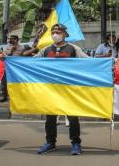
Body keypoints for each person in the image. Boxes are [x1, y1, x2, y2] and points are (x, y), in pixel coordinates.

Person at [35, 23, 88, 155]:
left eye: (58, 31)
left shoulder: (73, 49)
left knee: (72, 117)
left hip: (69, 89)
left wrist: (107, 63)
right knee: (50, 118)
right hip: (51, 90)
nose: (55, 34)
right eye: (53, 32)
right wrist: (8, 59)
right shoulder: (45, 50)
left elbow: (89, 62)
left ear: (65, 34)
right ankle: (50, 143)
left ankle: (76, 143)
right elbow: (31, 63)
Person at [0, 35, 25, 102]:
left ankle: (16, 97)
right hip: (7, 67)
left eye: (12, 39)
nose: (10, 40)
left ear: (16, 40)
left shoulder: (21, 48)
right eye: (10, 39)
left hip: (16, 68)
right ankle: (4, 97)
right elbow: (5, 56)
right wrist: (11, 50)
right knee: (5, 82)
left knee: (16, 82)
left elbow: (22, 57)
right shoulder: (7, 47)